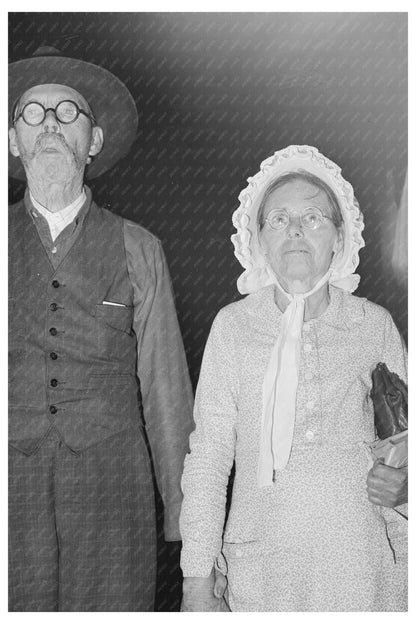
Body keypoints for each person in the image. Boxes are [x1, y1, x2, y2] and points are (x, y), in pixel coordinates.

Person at [180, 145, 407, 612]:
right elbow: (208, 458)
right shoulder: (233, 326)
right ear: (258, 239)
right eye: (279, 219)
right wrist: (196, 577)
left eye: (313, 218)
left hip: (360, 567)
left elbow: (407, 439)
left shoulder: (374, 325)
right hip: (261, 570)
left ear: (340, 237)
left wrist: (408, 485)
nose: (297, 230)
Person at [8, 47, 194, 612]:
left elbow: (166, 390)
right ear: (11, 139)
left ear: (93, 141)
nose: (49, 127)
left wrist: (187, 519)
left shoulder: (140, 247)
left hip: (113, 493)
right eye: (32, 114)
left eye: (68, 113)